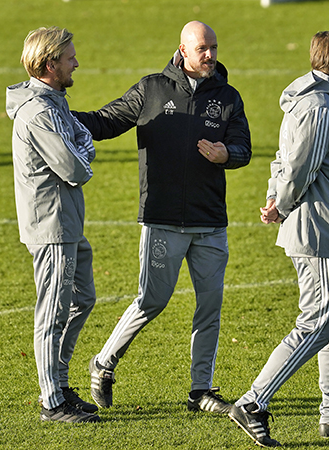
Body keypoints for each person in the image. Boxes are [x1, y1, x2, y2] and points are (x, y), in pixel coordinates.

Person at [73, 21, 251, 414]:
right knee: (151, 300)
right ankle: (103, 363)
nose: (210, 55)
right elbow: (105, 121)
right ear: (182, 51)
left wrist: (228, 155)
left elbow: (243, 147)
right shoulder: (152, 89)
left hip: (209, 222)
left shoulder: (227, 97)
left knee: (210, 305)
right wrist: (55, 114)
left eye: (214, 47)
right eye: (202, 48)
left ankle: (200, 390)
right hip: (162, 219)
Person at [228, 31, 329, 447]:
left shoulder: (307, 101)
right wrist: (280, 203)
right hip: (319, 230)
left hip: (323, 227)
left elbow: (282, 159)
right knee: (318, 320)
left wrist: (273, 198)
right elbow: (299, 168)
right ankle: (253, 402)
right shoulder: (320, 108)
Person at [6, 26, 100, 423]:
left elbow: (79, 142)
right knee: (52, 313)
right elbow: (75, 167)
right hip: (51, 226)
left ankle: (59, 384)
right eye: (69, 57)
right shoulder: (40, 111)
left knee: (83, 298)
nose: (76, 62)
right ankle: (52, 402)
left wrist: (81, 145)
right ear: (49, 65)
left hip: (67, 223)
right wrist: (84, 151)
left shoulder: (54, 100)